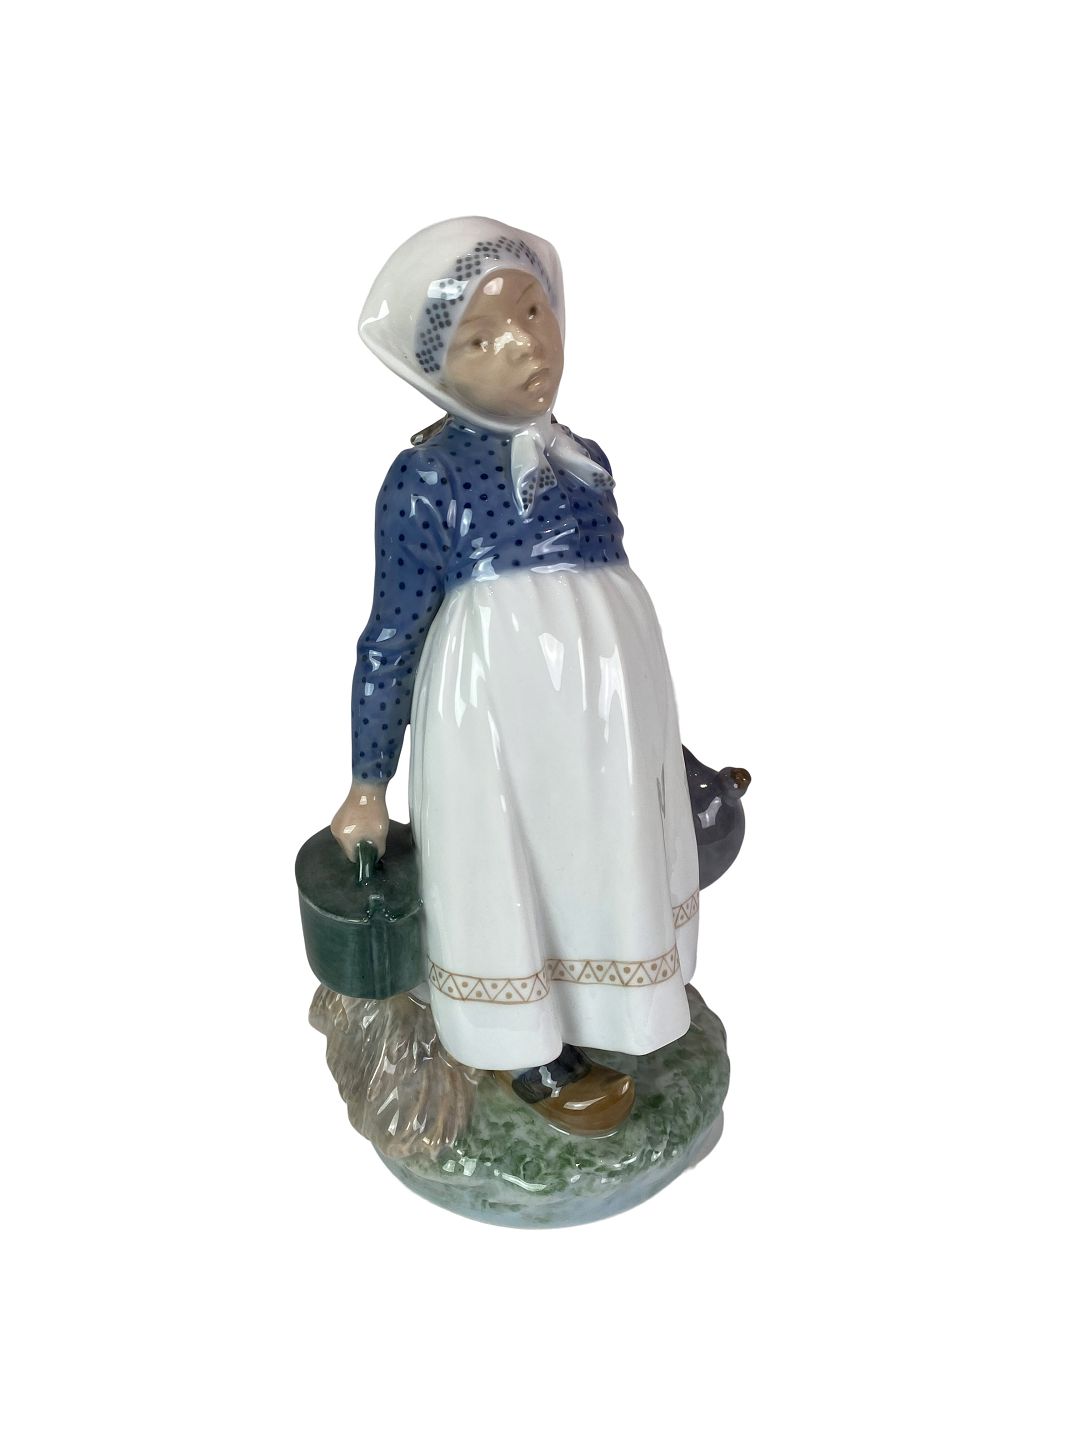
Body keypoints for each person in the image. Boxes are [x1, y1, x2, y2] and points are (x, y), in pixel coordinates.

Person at [331, 218, 700, 1135]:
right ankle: (522, 1044)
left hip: (607, 712)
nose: (524, 345)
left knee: (601, 853)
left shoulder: (587, 460)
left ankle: (610, 1007)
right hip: (499, 715)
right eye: (480, 339)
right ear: (434, 369)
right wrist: (368, 782)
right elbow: (390, 634)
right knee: (514, 865)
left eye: (533, 312)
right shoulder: (425, 480)